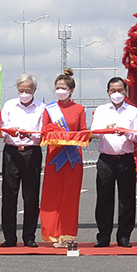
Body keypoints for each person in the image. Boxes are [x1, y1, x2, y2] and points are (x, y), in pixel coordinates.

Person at [40, 70, 88, 248]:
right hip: (54, 158)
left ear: (71, 90)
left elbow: (84, 133)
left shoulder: (79, 109)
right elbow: (44, 132)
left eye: (63, 88)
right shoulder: (49, 109)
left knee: (70, 197)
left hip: (73, 158)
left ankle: (67, 234)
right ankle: (52, 234)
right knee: (52, 196)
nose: (60, 90)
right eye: (57, 87)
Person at [91, 76, 137, 247]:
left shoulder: (133, 111)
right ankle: (103, 236)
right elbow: (94, 132)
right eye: (113, 91)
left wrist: (125, 132)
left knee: (127, 199)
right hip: (106, 159)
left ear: (125, 92)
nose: (117, 94)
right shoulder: (102, 110)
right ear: (108, 92)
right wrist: (108, 129)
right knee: (104, 198)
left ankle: (124, 236)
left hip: (125, 158)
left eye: (120, 90)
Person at [0, 73, 45, 247]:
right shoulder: (9, 105)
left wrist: (30, 134)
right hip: (12, 151)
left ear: (34, 90)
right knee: (9, 195)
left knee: (31, 196)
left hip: (31, 152)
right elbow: (2, 129)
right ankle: (9, 237)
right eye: (21, 90)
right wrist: (9, 130)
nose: (24, 93)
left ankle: (29, 236)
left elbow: (43, 132)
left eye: (28, 90)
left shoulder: (41, 108)